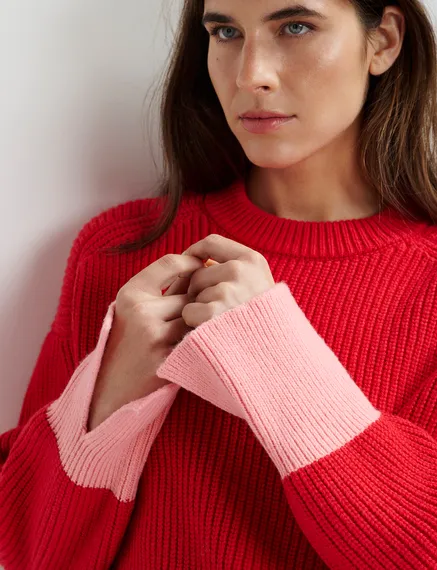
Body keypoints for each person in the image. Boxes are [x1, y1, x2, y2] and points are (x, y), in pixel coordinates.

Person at [1, 0, 437, 567]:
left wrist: (275, 361)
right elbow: (35, 551)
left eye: (295, 26)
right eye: (226, 31)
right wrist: (110, 393)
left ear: (383, 41)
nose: (250, 73)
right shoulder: (121, 252)